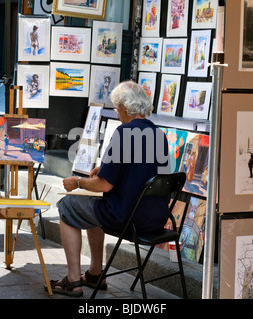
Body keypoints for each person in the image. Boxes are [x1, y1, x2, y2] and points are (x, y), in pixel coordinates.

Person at [51, 80, 170, 297]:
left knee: (68, 206)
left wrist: (76, 182)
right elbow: (140, 170)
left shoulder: (124, 133)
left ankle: (72, 280)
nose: (117, 113)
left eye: (117, 108)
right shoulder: (159, 135)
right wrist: (105, 168)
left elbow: (104, 185)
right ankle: (95, 273)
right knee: (92, 206)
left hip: (128, 217)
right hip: (155, 216)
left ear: (124, 107)